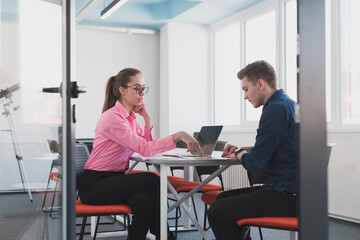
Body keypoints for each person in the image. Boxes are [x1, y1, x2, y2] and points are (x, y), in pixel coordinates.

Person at [78, 68, 203, 240]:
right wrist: (179, 135)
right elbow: (145, 148)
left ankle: (159, 233)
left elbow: (148, 145)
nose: (142, 93)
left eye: (144, 88)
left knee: (143, 202)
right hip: (94, 185)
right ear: (122, 90)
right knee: (151, 180)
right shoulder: (112, 118)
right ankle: (164, 234)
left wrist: (147, 120)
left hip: (113, 180)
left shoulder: (130, 119)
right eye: (137, 88)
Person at [208, 60, 297, 240]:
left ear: (260, 84)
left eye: (246, 89)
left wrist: (240, 152)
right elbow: (280, 146)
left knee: (217, 212)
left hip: (286, 196)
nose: (245, 97)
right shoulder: (286, 104)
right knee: (222, 200)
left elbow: (255, 163)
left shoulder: (275, 109)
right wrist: (246, 149)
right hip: (290, 190)